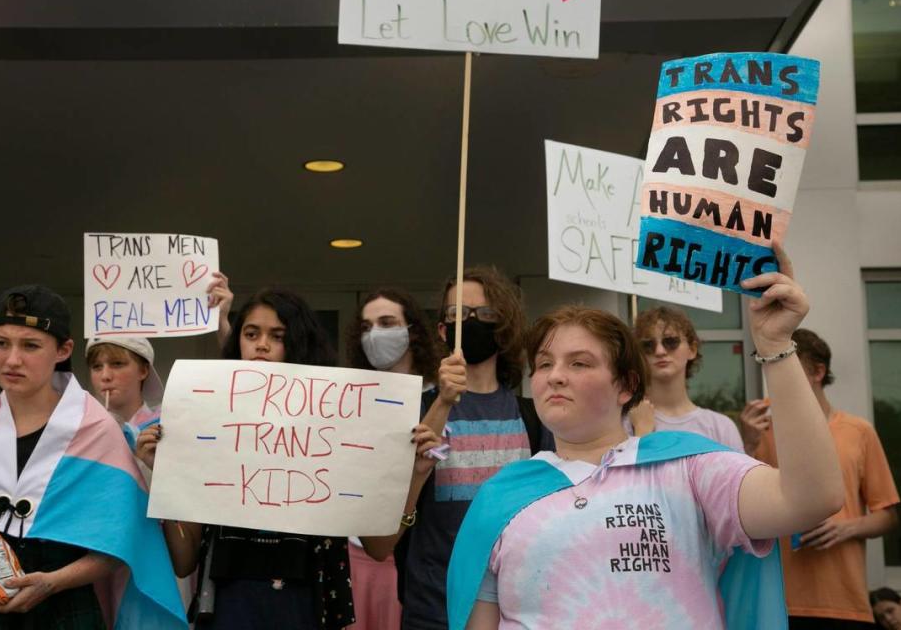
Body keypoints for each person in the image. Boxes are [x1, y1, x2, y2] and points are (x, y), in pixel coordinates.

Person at [447, 246, 845, 630]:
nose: (555, 375)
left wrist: (775, 345)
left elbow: (812, 497)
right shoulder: (499, 498)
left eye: (580, 362)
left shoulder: (689, 469)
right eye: (545, 364)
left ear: (626, 386)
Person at [136, 286, 442, 630]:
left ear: (298, 344)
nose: (261, 344)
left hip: (308, 605)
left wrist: (415, 478)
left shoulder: (337, 427)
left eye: (277, 336)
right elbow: (183, 561)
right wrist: (167, 475)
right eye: (251, 334)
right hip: (230, 607)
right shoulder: (205, 424)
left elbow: (379, 546)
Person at [0, 284, 185, 629]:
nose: (12, 359)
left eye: (30, 345)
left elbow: (121, 543)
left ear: (63, 350)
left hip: (63, 606)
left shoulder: (97, 432)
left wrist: (53, 581)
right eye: (1, 343)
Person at [401, 266, 550, 630]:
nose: (468, 322)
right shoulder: (419, 412)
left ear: (503, 327)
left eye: (483, 314)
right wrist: (444, 401)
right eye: (456, 314)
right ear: (442, 330)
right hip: (434, 611)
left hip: (515, 612)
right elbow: (393, 513)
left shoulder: (535, 418)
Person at [742, 328, 900, 629]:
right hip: (777, 602)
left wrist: (845, 528)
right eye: (772, 366)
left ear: (817, 371)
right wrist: (748, 443)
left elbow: (888, 516)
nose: (777, 378)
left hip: (844, 603)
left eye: (786, 365)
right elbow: (742, 513)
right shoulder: (761, 430)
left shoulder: (859, 431)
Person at [342, 288, 444, 630]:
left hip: (416, 567)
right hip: (357, 555)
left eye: (387, 323)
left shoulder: (441, 400)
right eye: (367, 327)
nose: (375, 334)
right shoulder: (350, 401)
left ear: (412, 330)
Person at [628, 305, 744, 451]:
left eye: (670, 342)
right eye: (648, 345)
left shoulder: (720, 426)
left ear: (692, 349)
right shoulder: (626, 422)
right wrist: (641, 432)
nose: (660, 351)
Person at [85, 336, 164, 449]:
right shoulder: (79, 429)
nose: (105, 376)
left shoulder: (164, 428)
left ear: (143, 371)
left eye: (117, 364)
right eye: (97, 366)